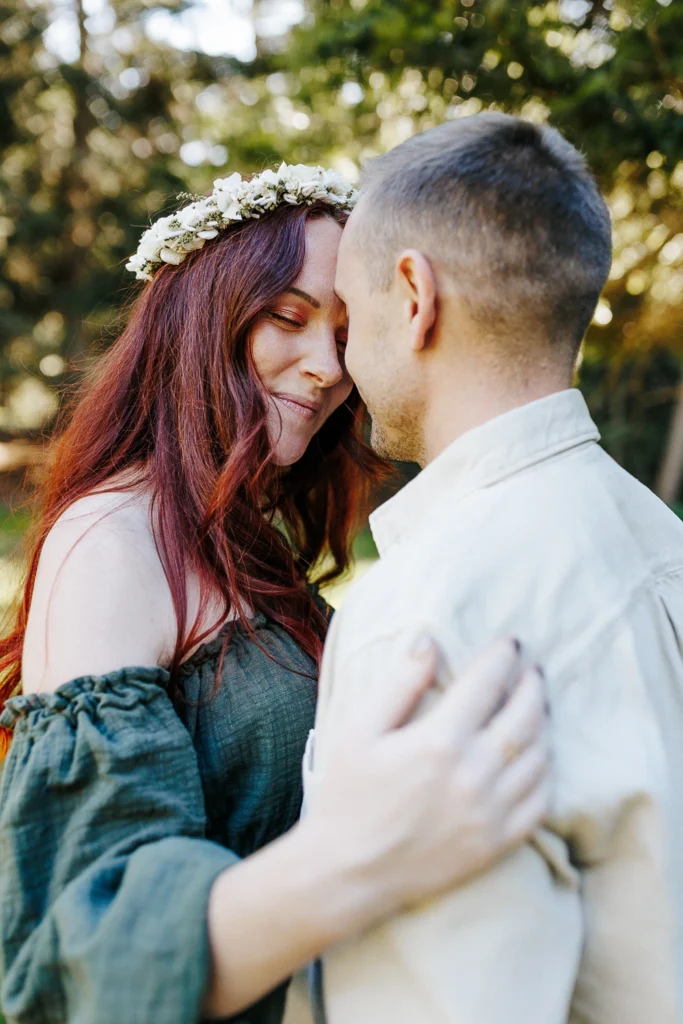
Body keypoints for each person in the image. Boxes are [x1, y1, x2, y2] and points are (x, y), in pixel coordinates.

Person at [0, 162, 550, 1024]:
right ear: (199, 319)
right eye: (287, 318)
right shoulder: (109, 540)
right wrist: (365, 851)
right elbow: (94, 946)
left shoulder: (244, 536)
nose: (327, 368)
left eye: (344, 331)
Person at [308, 111, 683, 1024]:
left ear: (413, 297)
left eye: (349, 318)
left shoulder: (421, 618)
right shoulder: (658, 541)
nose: (340, 363)